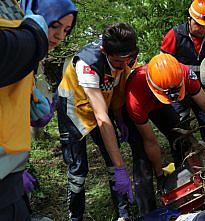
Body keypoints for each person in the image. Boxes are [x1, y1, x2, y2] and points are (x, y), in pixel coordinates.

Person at [125, 53, 205, 215]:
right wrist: (159, 174)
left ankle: (187, 187)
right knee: (142, 158)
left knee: (180, 139)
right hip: (140, 102)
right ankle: (149, 212)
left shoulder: (184, 73)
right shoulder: (134, 98)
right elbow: (150, 141)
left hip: (159, 100)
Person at [0, 0, 76, 220]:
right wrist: (32, 39)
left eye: (66, 30)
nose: (60, 36)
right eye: (54, 26)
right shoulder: (23, 35)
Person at [56, 22, 138, 220]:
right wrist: (121, 169)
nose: (124, 64)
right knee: (79, 170)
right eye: (119, 61)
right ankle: (75, 217)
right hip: (74, 113)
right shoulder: (88, 64)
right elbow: (101, 118)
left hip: (101, 102)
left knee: (112, 155)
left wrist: (120, 119)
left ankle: (123, 213)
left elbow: (117, 87)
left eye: (127, 59)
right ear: (104, 50)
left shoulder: (125, 54)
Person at [160, 0, 205, 141]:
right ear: (189, 19)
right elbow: (163, 65)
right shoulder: (174, 35)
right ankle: (186, 156)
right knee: (180, 127)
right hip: (179, 91)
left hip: (203, 90)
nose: (202, 29)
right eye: (198, 25)